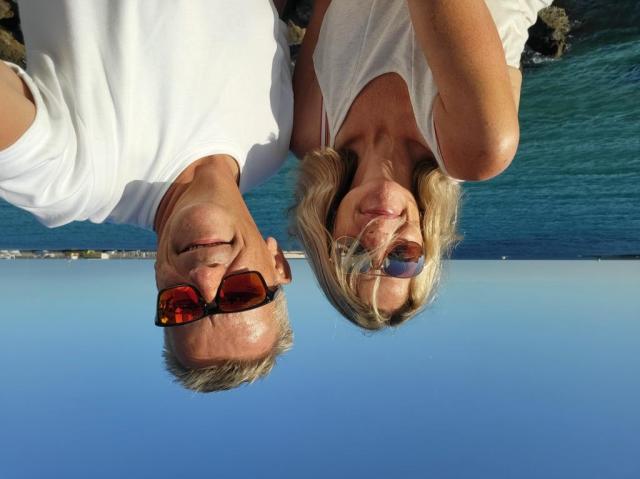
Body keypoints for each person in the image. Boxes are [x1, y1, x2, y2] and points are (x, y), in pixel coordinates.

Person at [0, 0, 294, 391]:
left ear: (158, 280)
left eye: (182, 306)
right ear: (277, 263)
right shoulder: (273, 144)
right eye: (241, 294)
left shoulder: (70, 181)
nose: (206, 277)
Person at [290, 0, 552, 330]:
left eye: (354, 255)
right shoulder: (478, 148)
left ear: (327, 233)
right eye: (401, 257)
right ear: (426, 243)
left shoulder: (309, 130)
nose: (379, 236)